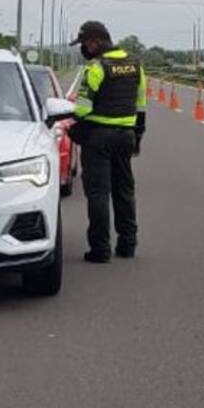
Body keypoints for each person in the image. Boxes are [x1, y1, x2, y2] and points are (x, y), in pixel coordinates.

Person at [69, 21, 146, 263]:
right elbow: (141, 105)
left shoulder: (96, 67)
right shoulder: (135, 65)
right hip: (126, 136)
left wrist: (72, 117)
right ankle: (128, 245)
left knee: (98, 194)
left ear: (95, 41)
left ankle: (100, 250)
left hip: (98, 138)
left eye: (84, 43)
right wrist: (138, 136)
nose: (84, 48)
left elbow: (82, 109)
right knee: (124, 191)